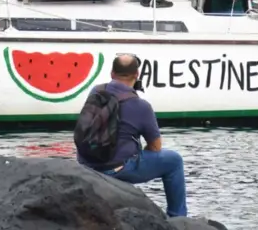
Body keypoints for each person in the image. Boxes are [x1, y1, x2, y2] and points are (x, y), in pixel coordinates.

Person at [75, 54, 187, 218]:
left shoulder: (96, 91)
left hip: (86, 164)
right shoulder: (141, 106)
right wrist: (138, 154)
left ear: (112, 73)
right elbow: (156, 147)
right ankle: (178, 218)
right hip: (117, 169)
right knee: (174, 161)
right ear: (137, 74)